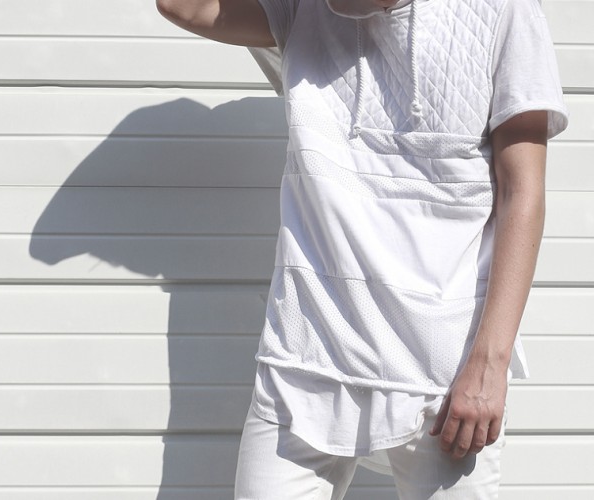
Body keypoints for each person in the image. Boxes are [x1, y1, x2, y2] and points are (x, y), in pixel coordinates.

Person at [157, 0, 569, 498]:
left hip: (444, 375)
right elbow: (180, 5)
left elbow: (522, 192)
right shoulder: (302, 9)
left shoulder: (503, 11)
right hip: (306, 360)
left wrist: (490, 365)